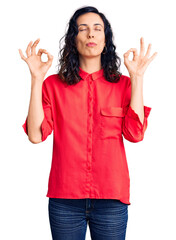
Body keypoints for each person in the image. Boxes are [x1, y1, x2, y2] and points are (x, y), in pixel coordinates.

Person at [19, 5, 157, 240]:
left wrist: (137, 78)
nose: (91, 34)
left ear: (106, 40)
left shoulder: (123, 84)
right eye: (82, 29)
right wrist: (36, 79)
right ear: (74, 40)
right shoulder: (52, 85)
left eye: (97, 29)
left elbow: (135, 134)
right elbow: (35, 135)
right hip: (65, 200)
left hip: (111, 199)